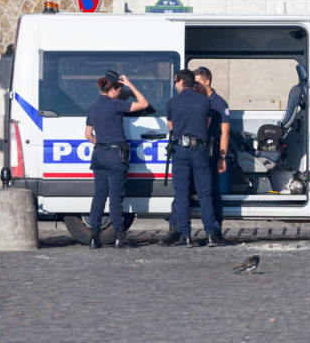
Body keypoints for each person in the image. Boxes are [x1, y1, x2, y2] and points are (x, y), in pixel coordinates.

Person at [159, 69, 225, 247]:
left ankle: (185, 235)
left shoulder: (172, 103)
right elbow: (207, 124)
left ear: (180, 82)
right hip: (200, 149)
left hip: (181, 149)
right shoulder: (205, 102)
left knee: (181, 193)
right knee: (205, 193)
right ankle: (211, 233)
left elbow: (171, 128)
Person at [84, 70, 149, 249]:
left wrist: (102, 143)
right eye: (119, 89)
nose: (121, 93)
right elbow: (144, 103)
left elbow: (88, 135)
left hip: (99, 155)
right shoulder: (115, 105)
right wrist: (131, 85)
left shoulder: (93, 107)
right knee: (115, 197)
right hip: (115, 156)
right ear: (112, 89)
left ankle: (94, 238)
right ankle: (120, 237)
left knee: (99, 196)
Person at [194, 66, 230, 227]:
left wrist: (222, 157)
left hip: (212, 152)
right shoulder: (196, 100)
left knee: (213, 191)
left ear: (207, 82)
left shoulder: (219, 103)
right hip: (196, 151)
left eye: (197, 83)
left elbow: (225, 132)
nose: (195, 86)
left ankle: (216, 229)